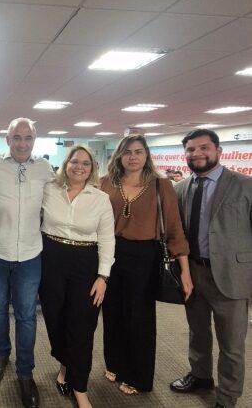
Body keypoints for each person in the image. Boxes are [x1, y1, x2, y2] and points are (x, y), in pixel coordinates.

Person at [100, 134, 193, 395]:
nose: (133, 157)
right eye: (127, 152)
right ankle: (114, 363)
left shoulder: (160, 185)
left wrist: (185, 271)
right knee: (112, 313)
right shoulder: (105, 182)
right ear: (119, 155)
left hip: (144, 256)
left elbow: (174, 228)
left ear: (146, 155)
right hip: (109, 253)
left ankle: (138, 376)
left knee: (139, 318)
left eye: (138, 152)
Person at [170, 129, 252, 408]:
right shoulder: (180, 189)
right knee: (198, 331)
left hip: (231, 275)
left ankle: (227, 397)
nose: (197, 154)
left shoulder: (245, 185)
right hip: (193, 272)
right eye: (191, 149)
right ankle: (201, 375)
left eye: (204, 147)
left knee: (231, 343)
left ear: (218, 151)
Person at [0, 117, 53, 408]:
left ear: (34, 139)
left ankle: (25, 372)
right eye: (17, 137)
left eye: (28, 138)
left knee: (26, 315)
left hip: (31, 255)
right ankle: (1, 354)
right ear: (7, 139)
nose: (23, 143)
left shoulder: (45, 168)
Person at [39, 145, 115, 408]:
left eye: (86, 163)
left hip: (85, 264)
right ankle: (64, 366)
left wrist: (103, 277)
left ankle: (80, 388)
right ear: (66, 164)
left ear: (92, 168)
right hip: (51, 261)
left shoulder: (100, 198)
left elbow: (107, 239)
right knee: (55, 320)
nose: (79, 167)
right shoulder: (49, 189)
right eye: (75, 161)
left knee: (82, 327)